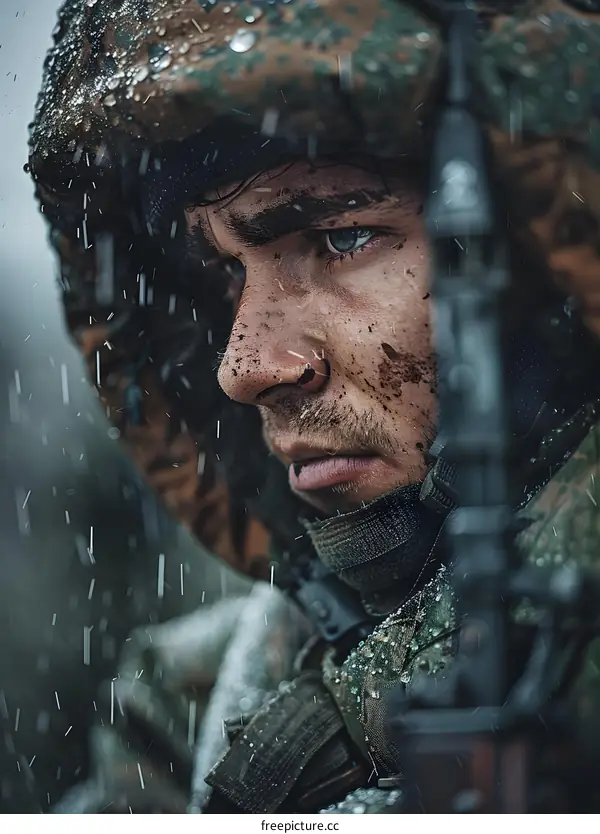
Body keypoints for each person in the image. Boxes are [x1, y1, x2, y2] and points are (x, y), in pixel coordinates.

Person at [28, 0, 600, 813]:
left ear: (548, 267)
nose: (245, 365)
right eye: (227, 275)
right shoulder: (188, 712)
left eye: (341, 239)